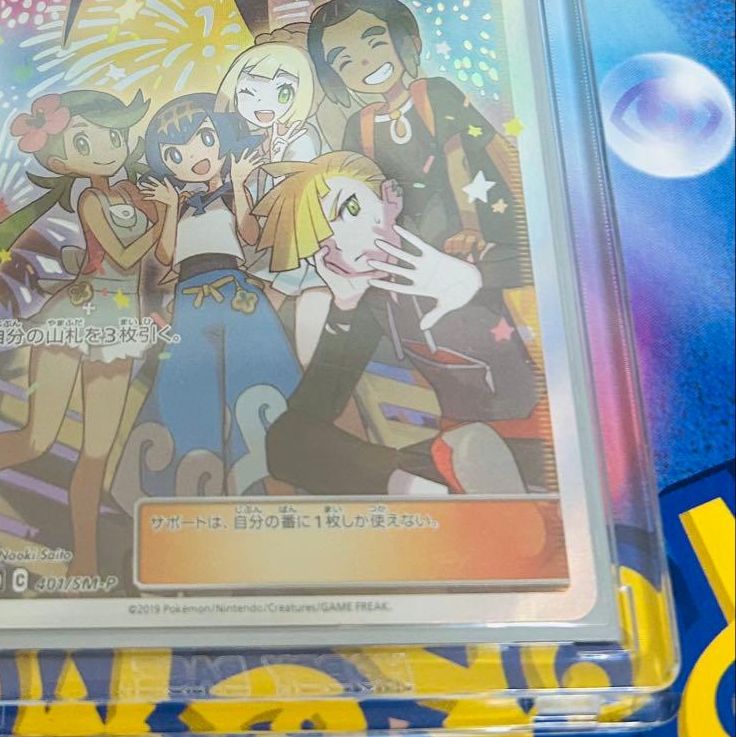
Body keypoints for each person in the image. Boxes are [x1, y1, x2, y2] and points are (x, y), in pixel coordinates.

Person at [253, 151, 539, 496]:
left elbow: (559, 264)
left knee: (470, 446)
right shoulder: (373, 298)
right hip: (454, 453)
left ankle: (464, 491)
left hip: (537, 442)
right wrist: (344, 306)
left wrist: (476, 277)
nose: (345, 240)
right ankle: (433, 495)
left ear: (389, 199)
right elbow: (314, 409)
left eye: (350, 209)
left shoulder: (454, 247)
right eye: (320, 241)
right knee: (286, 440)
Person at [0, 89, 160, 576]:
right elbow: (124, 257)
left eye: (112, 135)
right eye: (84, 143)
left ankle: (84, 563)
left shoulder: (134, 194)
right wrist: (158, 225)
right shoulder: (89, 198)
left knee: (96, 454)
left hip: (120, 324)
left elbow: (164, 258)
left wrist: (168, 214)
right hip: (74, 316)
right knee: (37, 439)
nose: (105, 149)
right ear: (60, 160)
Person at [307, 0, 524, 290]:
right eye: (344, 61)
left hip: (469, 237)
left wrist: (470, 228)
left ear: (408, 41)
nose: (364, 63)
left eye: (375, 43)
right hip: (406, 251)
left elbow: (458, 160)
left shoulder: (435, 94)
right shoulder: (359, 126)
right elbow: (362, 195)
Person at [131, 93, 301, 498]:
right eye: (175, 153)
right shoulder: (179, 205)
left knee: (259, 378)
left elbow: (250, 235)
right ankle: (193, 482)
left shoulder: (230, 194)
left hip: (235, 291)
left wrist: (239, 184)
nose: (193, 156)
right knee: (188, 385)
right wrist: (169, 209)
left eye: (204, 139)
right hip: (190, 298)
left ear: (223, 138)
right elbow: (165, 255)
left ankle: (266, 476)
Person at [215, 26, 331, 365]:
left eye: (281, 91)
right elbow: (251, 232)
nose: (262, 104)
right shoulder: (255, 152)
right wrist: (239, 183)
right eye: (249, 92)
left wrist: (275, 162)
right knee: (260, 341)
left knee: (307, 349)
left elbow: (298, 200)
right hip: (277, 259)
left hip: (312, 256)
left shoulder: (303, 138)